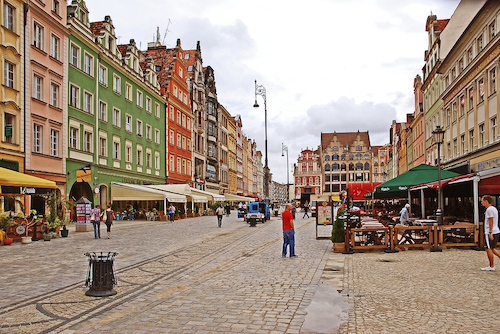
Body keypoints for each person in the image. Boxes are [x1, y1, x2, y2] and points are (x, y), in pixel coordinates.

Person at [481, 195, 500, 271]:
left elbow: (491, 221)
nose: (481, 203)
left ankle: (491, 266)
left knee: (488, 248)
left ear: (486, 201)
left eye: (482, 201)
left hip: (490, 231)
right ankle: (491, 265)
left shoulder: (489, 210)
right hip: (495, 230)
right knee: (492, 248)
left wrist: (490, 232)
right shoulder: (494, 208)